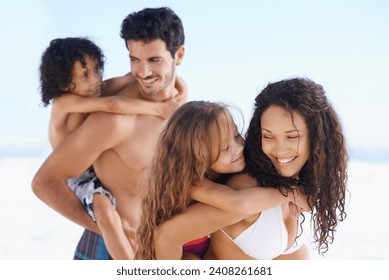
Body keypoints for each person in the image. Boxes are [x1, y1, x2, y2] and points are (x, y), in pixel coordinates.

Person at [31, 7, 186, 260]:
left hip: (157, 252)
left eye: (154, 60)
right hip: (107, 251)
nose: (143, 72)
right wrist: (103, 227)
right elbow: (43, 183)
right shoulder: (111, 120)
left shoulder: (184, 112)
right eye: (134, 60)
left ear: (178, 55)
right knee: (103, 209)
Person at [155, 77, 348, 260]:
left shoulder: (296, 178)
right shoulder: (235, 189)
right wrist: (291, 193)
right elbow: (167, 235)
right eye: (268, 136)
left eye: (292, 136)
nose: (280, 149)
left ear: (319, 137)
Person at [135, 101, 309, 260]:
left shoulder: (228, 169)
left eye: (236, 136)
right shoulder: (193, 184)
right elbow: (238, 204)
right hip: (181, 250)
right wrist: (291, 193)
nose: (239, 148)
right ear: (197, 157)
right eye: (225, 148)